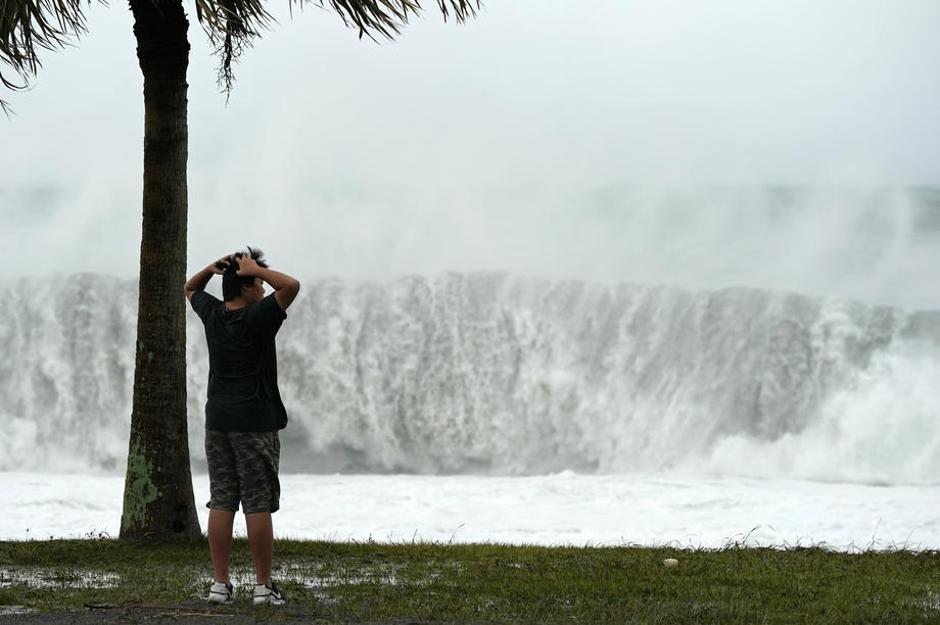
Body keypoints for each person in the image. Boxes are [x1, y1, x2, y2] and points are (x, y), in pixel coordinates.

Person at [184, 247, 300, 606]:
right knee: (257, 502)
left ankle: (220, 585)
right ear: (248, 287)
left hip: (218, 421)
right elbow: (291, 286)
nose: (264, 291)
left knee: (221, 500)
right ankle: (263, 588)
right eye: (258, 284)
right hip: (254, 423)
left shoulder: (214, 315)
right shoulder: (258, 317)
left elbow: (190, 288)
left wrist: (212, 269)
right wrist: (259, 271)